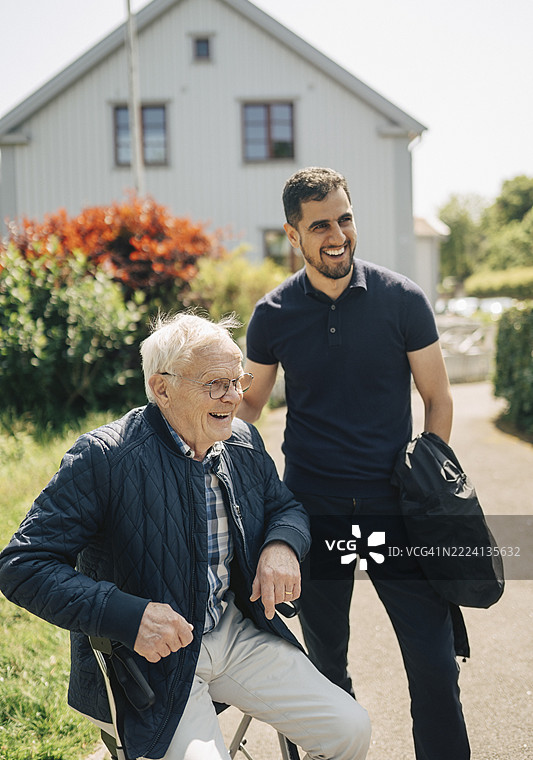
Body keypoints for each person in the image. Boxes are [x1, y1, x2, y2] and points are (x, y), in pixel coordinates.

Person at [0, 312, 371, 760]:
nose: (233, 396)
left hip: (234, 633)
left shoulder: (242, 441)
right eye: (215, 384)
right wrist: (129, 616)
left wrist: (281, 546)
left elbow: (284, 506)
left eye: (237, 381)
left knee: (351, 730)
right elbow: (22, 566)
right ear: (162, 388)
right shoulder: (104, 457)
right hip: (148, 661)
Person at [239, 167, 471, 760]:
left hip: (396, 508)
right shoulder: (273, 313)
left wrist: (430, 482)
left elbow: (438, 397)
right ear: (294, 235)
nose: (337, 235)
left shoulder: (402, 299)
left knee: (434, 661)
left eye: (344, 218)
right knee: (324, 667)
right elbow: (249, 406)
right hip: (312, 511)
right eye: (320, 225)